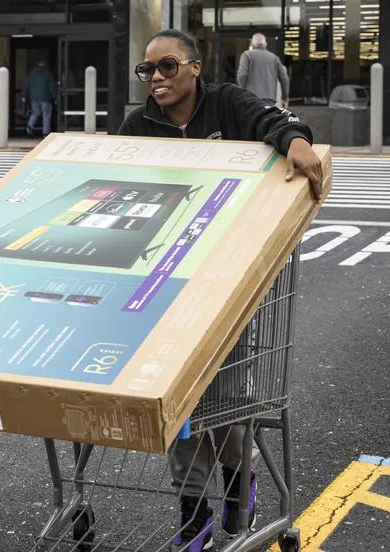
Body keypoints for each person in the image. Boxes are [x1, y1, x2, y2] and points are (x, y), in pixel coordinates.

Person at [119, 29, 322, 552]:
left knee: (225, 395)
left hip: (229, 275)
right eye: (149, 71)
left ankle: (238, 481)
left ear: (194, 66)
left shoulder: (227, 104)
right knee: (178, 401)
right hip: (163, 277)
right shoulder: (136, 124)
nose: (157, 79)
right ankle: (193, 511)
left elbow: (273, 121)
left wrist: (296, 142)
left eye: (167, 67)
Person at [236, 32, 289, 107]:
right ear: (265, 44)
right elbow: (284, 79)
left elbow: (242, 75)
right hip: (269, 100)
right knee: (267, 118)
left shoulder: (247, 55)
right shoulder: (274, 58)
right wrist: (285, 98)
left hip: (250, 99)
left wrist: (243, 91)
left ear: (253, 44)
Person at [25, 58, 58, 136]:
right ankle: (45, 132)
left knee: (35, 113)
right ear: (44, 64)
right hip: (46, 98)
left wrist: (24, 95)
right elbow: (52, 87)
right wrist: (55, 97)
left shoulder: (31, 73)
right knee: (46, 115)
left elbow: (27, 85)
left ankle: (30, 125)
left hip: (34, 98)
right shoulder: (48, 74)